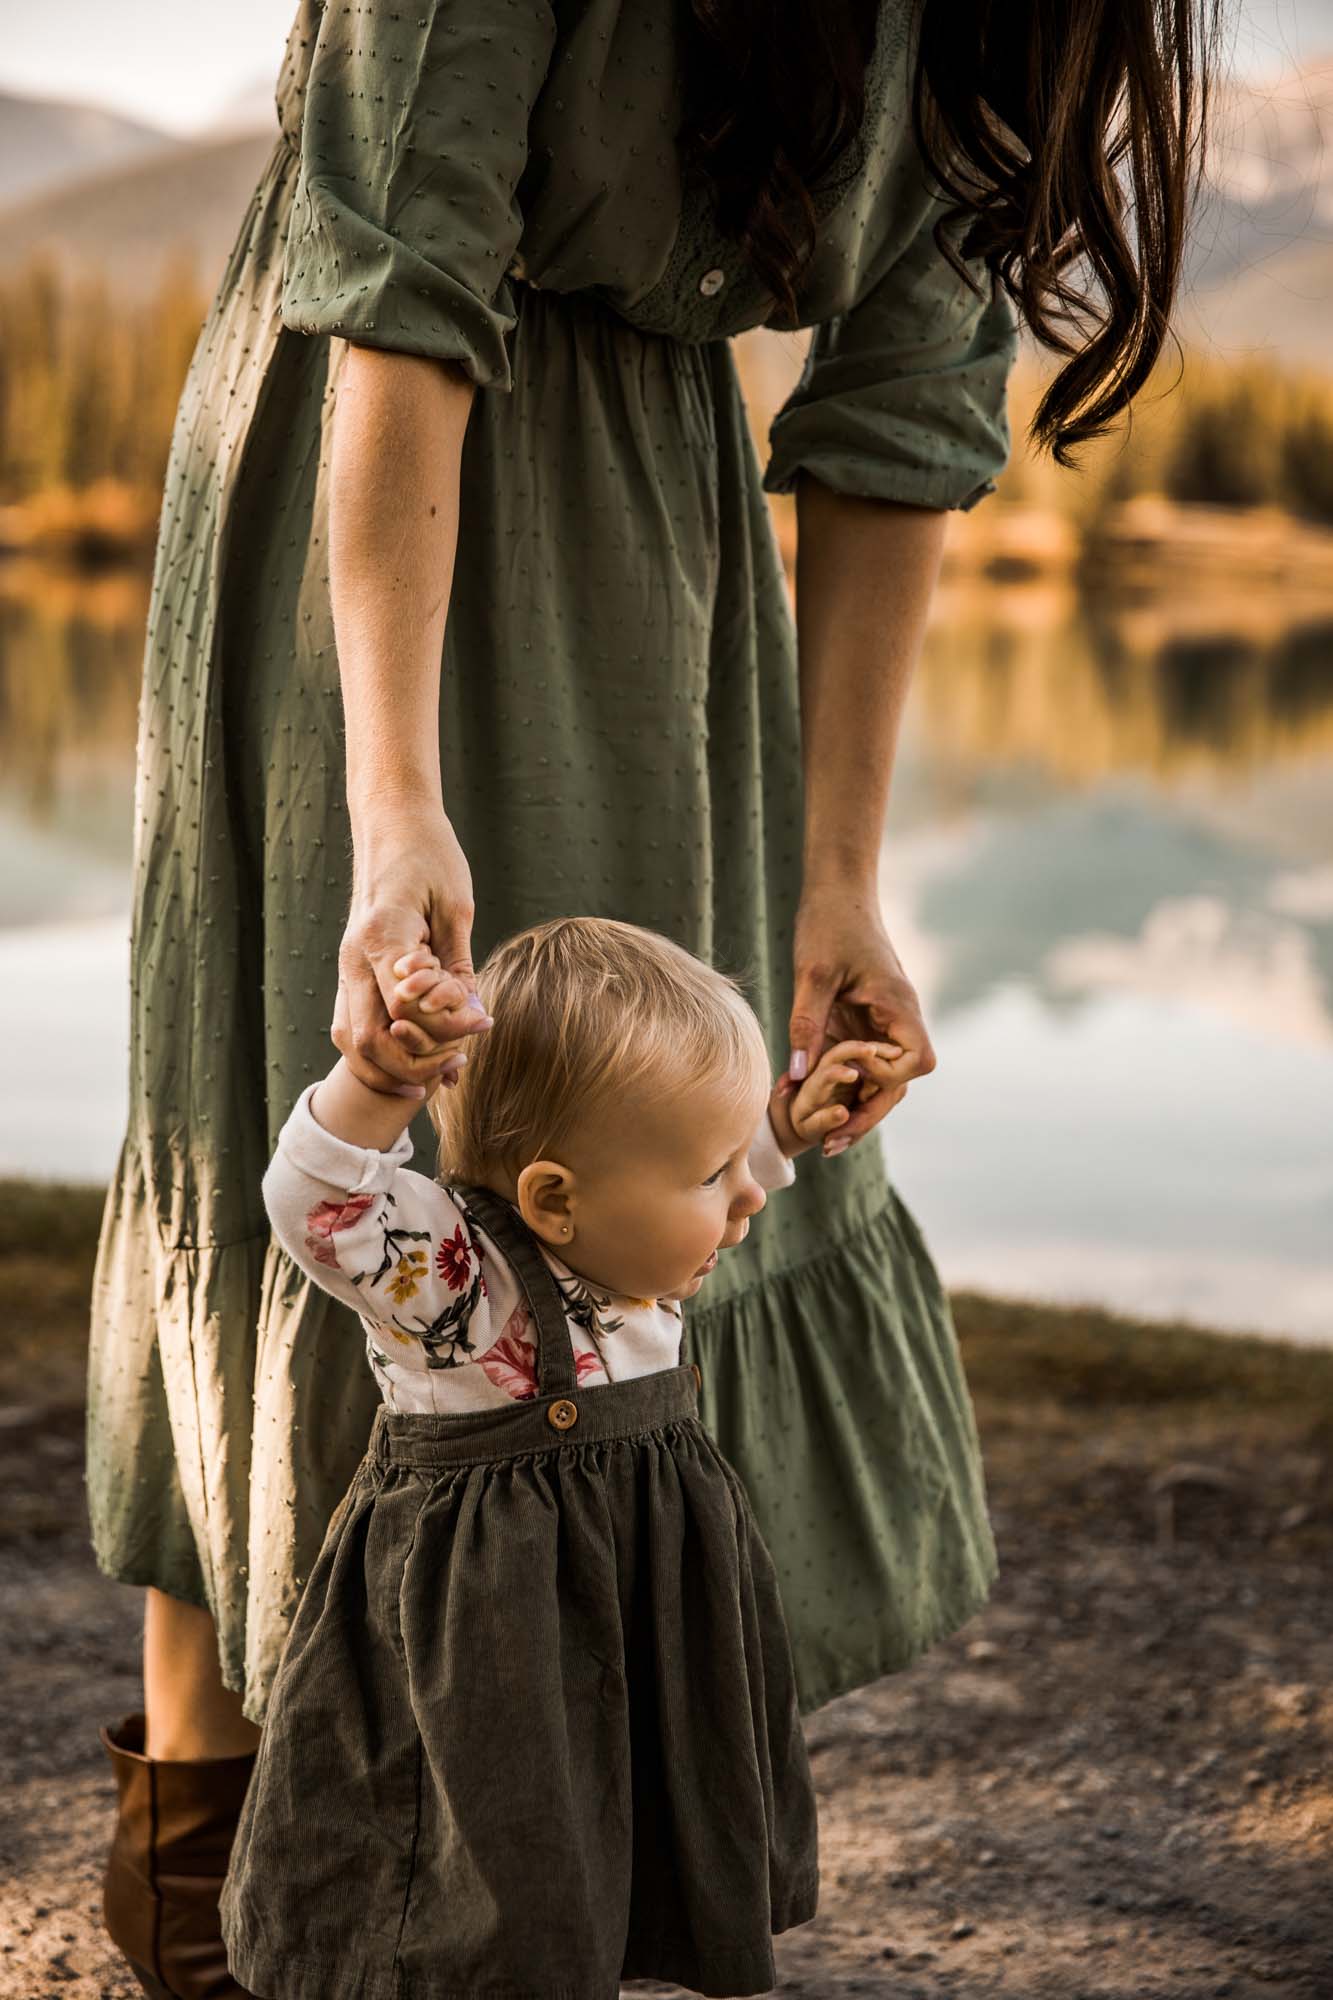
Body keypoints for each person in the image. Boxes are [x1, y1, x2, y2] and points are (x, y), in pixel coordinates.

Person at [88, 0, 1224, 1992]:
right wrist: (393, 800)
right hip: (365, 503)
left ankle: (536, 1866)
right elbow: (399, 280)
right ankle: (206, 1853)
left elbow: (901, 404)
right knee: (306, 1091)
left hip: (665, 564)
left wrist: (838, 878)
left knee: (638, 1171)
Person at [216, 915, 893, 1999]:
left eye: (738, 1166)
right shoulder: (454, 1283)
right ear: (552, 1200)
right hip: (498, 1631)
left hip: (639, 1595)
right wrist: (380, 1081)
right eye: (717, 1175)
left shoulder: (630, 1239)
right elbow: (314, 1202)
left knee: (622, 1814)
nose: (750, 1198)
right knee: (503, 1851)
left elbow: (668, 1175)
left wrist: (777, 1131)